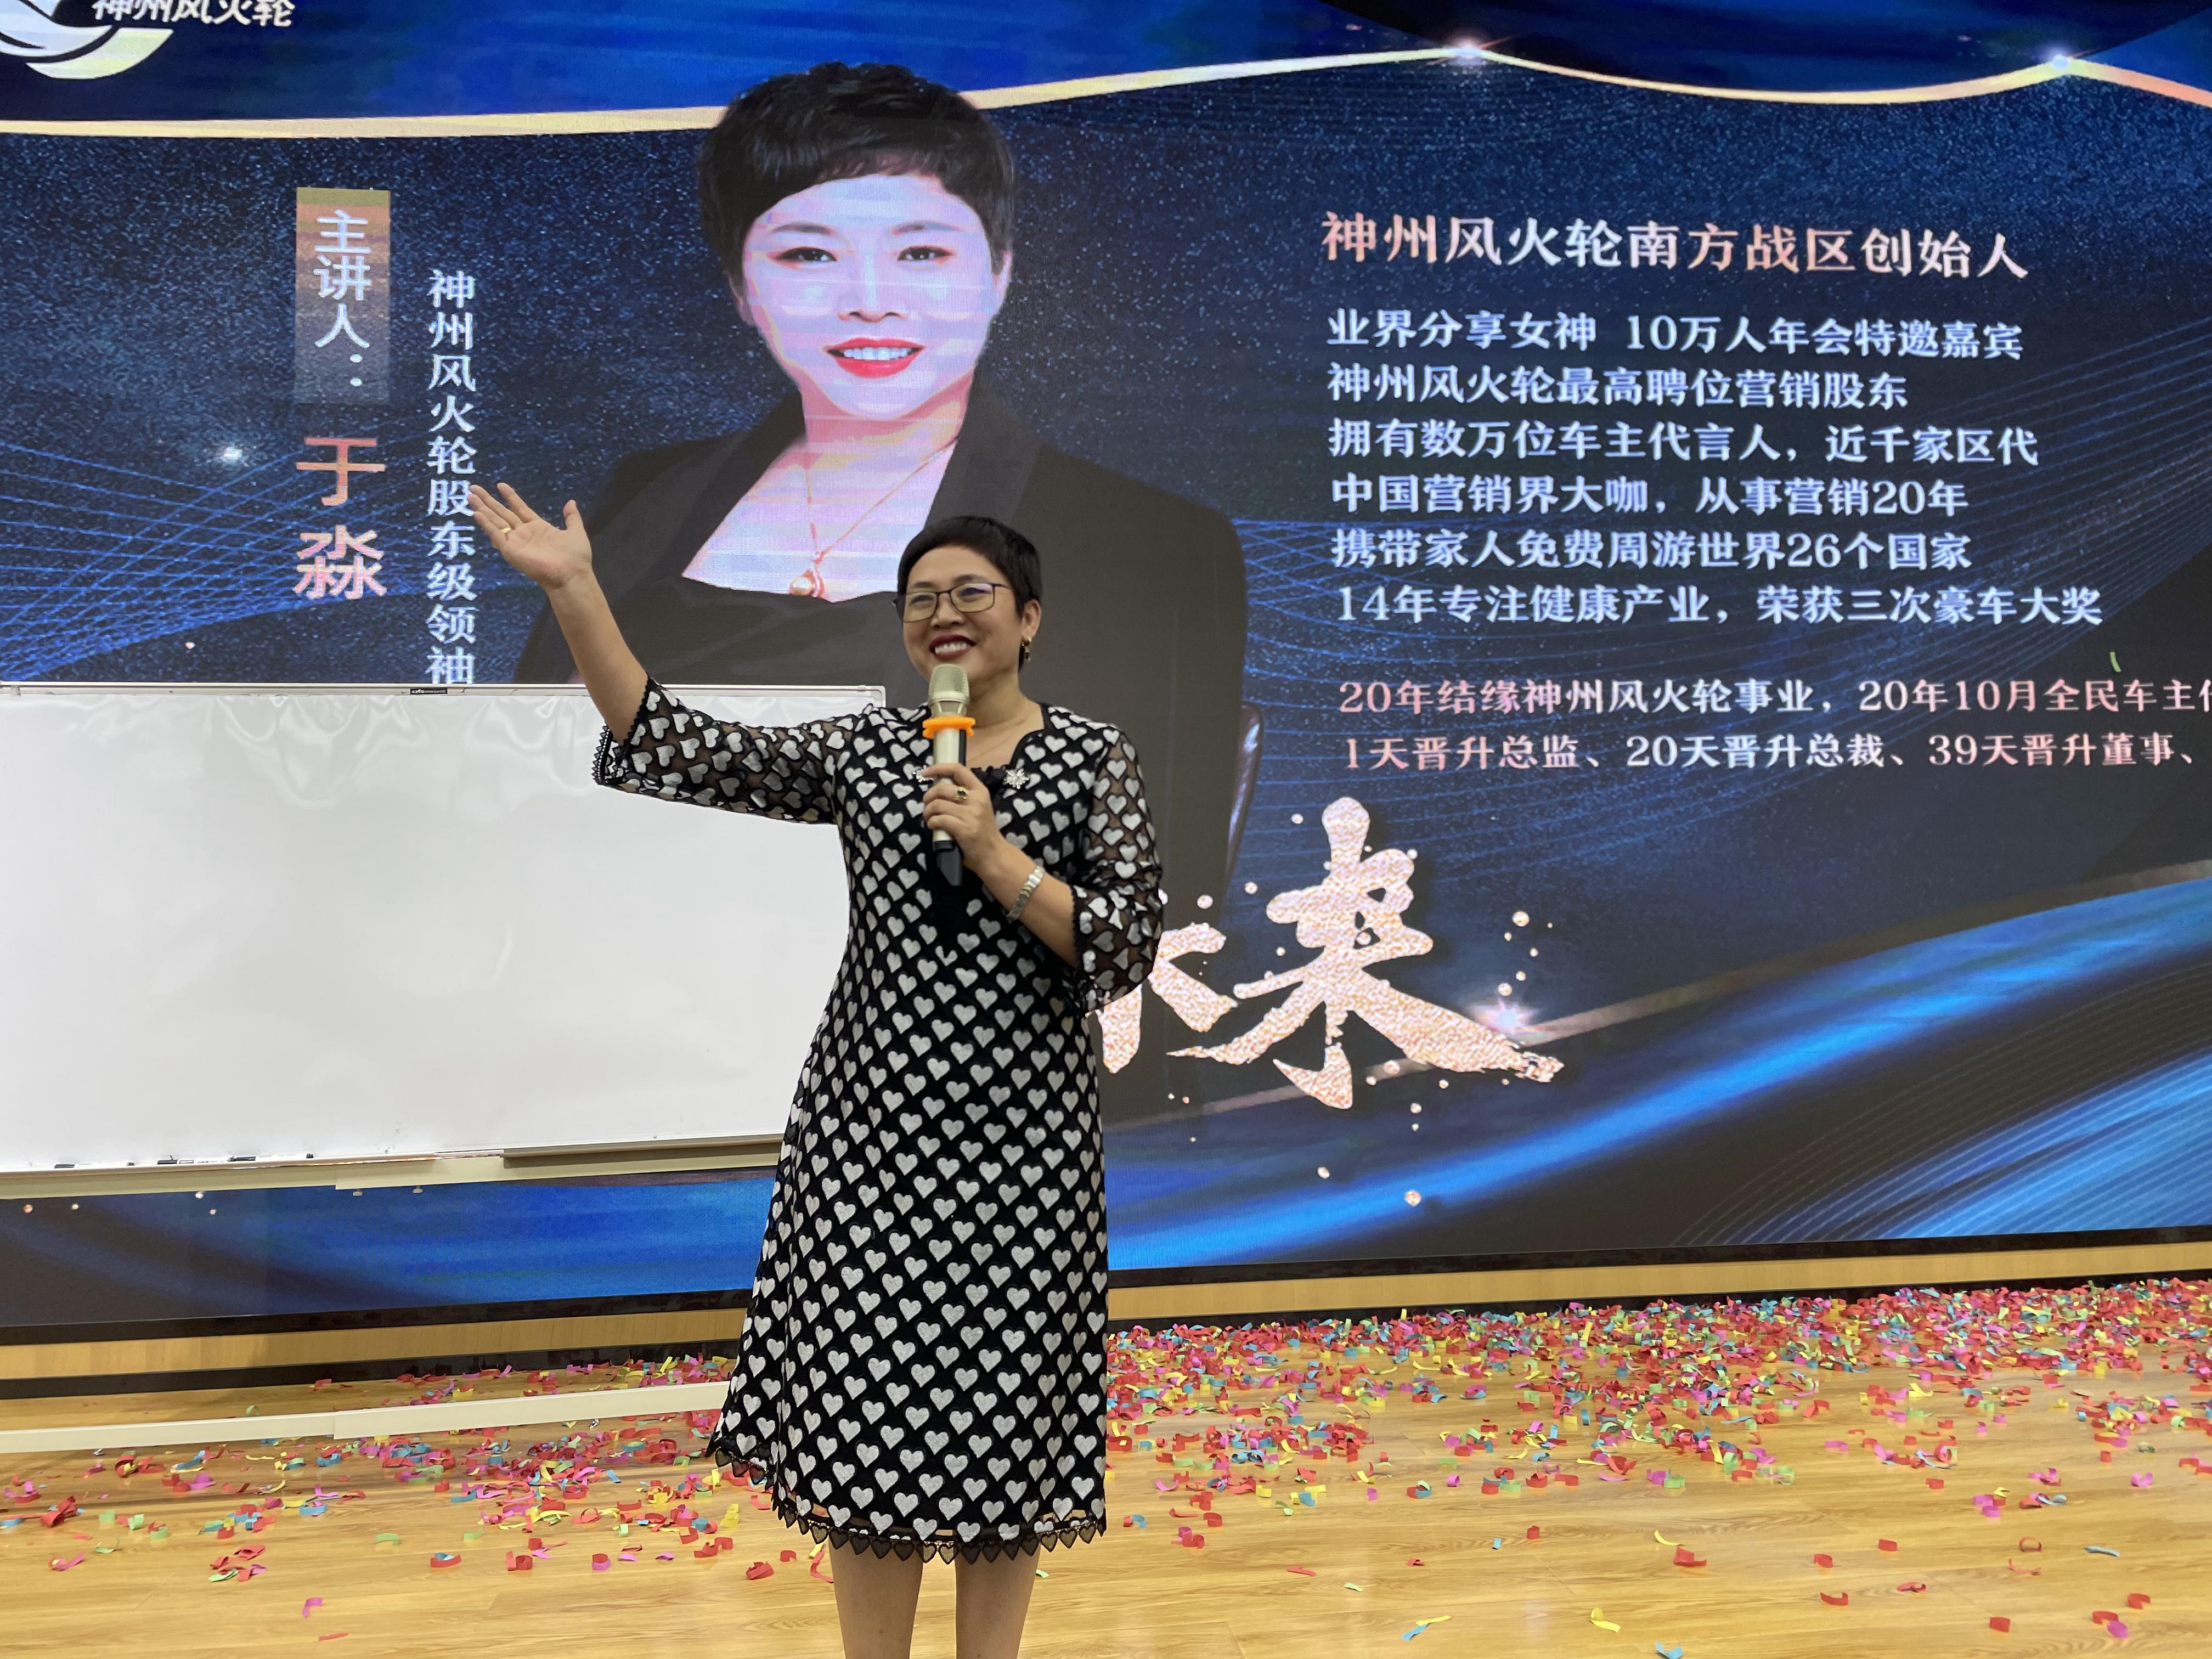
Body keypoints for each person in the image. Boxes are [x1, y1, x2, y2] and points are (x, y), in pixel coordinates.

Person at [476, 477, 1161, 1659]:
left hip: (1028, 1155)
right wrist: (578, 590)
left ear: (1030, 618)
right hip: (867, 1143)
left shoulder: (1095, 758)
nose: (945, 616)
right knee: (869, 1428)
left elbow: (1125, 943)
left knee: (1008, 1429)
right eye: (920, 600)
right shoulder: (866, 750)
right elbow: (669, 739)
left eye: (973, 594)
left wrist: (996, 852)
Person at [512, 61, 1253, 952]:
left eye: (922, 253)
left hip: (945, 1005)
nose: (869, 302)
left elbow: (1156, 902)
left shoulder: (1154, 547)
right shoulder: (645, 493)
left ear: (1000, 273)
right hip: (607, 964)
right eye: (810, 254)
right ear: (742, 287)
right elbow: (521, 763)